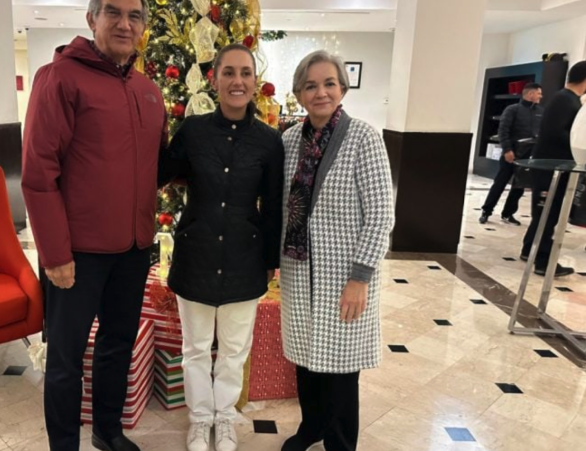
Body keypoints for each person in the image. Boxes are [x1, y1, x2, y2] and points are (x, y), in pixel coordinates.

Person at [21, 1, 165, 450]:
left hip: (133, 248)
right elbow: (38, 174)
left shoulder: (148, 89)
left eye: (135, 16)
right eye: (113, 13)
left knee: (117, 345)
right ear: (92, 19)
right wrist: (55, 254)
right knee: (66, 357)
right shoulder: (59, 78)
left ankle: (108, 430)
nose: (125, 24)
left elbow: (157, 165)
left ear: (143, 25)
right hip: (77, 254)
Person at [158, 44, 284, 451]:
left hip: (245, 258)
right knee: (195, 348)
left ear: (255, 82)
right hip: (196, 254)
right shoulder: (193, 131)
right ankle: (200, 419)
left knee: (233, 350)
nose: (237, 81)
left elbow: (273, 207)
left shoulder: (269, 141)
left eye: (245, 73)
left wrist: (269, 261)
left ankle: (225, 417)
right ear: (214, 79)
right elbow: (161, 173)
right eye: (229, 72)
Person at [278, 50, 395, 451]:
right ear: (299, 93)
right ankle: (311, 428)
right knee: (307, 359)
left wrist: (360, 278)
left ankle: (340, 443)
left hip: (345, 274)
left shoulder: (364, 138)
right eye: (310, 85)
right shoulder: (289, 140)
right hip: (299, 271)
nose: (321, 93)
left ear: (342, 88)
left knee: (341, 366)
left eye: (329, 83)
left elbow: (380, 215)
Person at [521, 61, 586, 277]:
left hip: (556, 168)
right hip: (550, 169)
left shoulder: (569, 100)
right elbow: (555, 133)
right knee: (547, 214)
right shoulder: (564, 100)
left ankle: (529, 250)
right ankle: (543, 262)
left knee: (545, 213)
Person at [480, 82, 544, 225]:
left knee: (519, 186)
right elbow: (503, 131)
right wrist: (507, 150)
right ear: (530, 94)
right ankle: (486, 211)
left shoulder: (541, 111)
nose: (541, 96)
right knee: (500, 183)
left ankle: (508, 214)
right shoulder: (512, 109)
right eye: (539, 93)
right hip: (511, 153)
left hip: (528, 156)